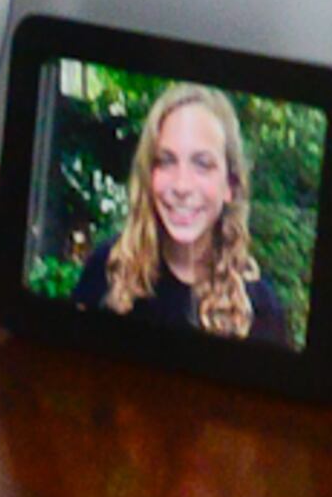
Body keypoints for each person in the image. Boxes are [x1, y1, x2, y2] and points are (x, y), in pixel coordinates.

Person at [77, 83, 290, 344]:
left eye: (202, 164)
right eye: (166, 161)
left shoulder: (261, 309)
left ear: (230, 185)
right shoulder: (107, 272)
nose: (181, 186)